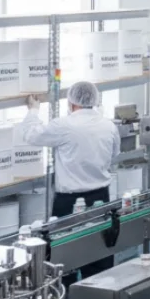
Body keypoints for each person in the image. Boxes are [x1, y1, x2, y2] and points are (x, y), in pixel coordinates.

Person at [19, 80, 119, 283]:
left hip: (68, 203)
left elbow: (31, 135)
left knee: (64, 263)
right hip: (101, 200)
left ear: (72, 104)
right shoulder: (108, 125)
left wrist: (33, 111)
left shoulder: (64, 125)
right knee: (99, 259)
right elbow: (114, 154)